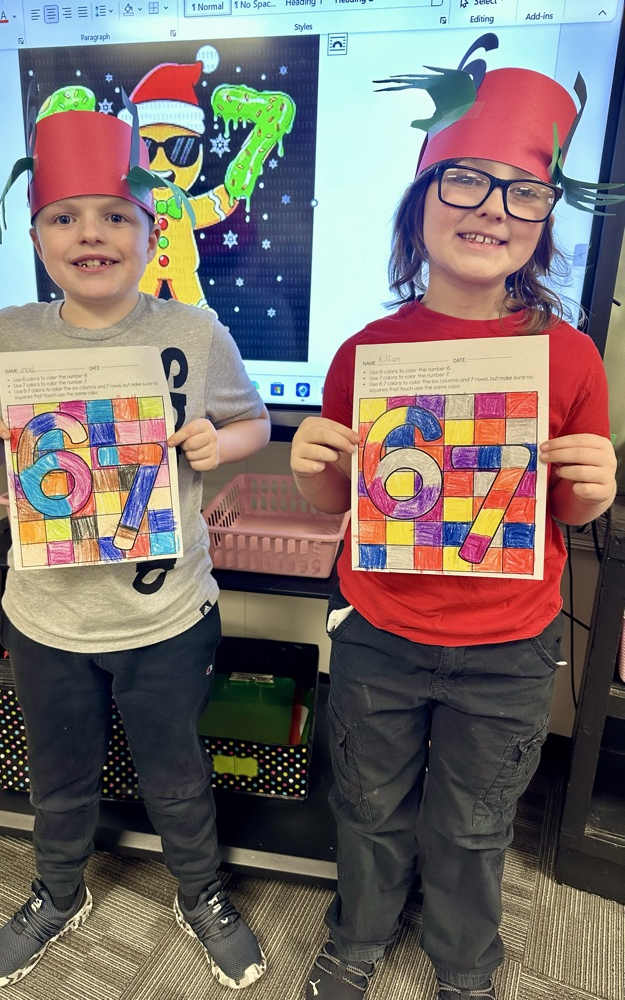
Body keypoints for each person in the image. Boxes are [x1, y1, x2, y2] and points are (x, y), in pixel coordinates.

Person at [290, 44, 619, 1000]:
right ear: (420, 203)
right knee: (367, 802)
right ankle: (358, 933)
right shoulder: (366, 353)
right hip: (380, 632)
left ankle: (466, 962)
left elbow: (566, 507)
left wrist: (591, 488)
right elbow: (340, 504)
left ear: (546, 221)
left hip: (508, 647)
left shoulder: (571, 358)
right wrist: (317, 473)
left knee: (474, 824)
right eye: (467, 181)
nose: (492, 208)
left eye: (524, 192)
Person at [0, 86, 271, 990]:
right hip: (46, 614)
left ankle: (198, 891)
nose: (92, 235)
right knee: (58, 770)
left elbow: (253, 425)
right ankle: (57, 891)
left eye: (116, 216)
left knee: (175, 770)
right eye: (65, 218)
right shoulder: (8, 333)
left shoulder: (194, 330)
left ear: (152, 229)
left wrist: (222, 441)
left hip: (165, 611)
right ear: (40, 237)